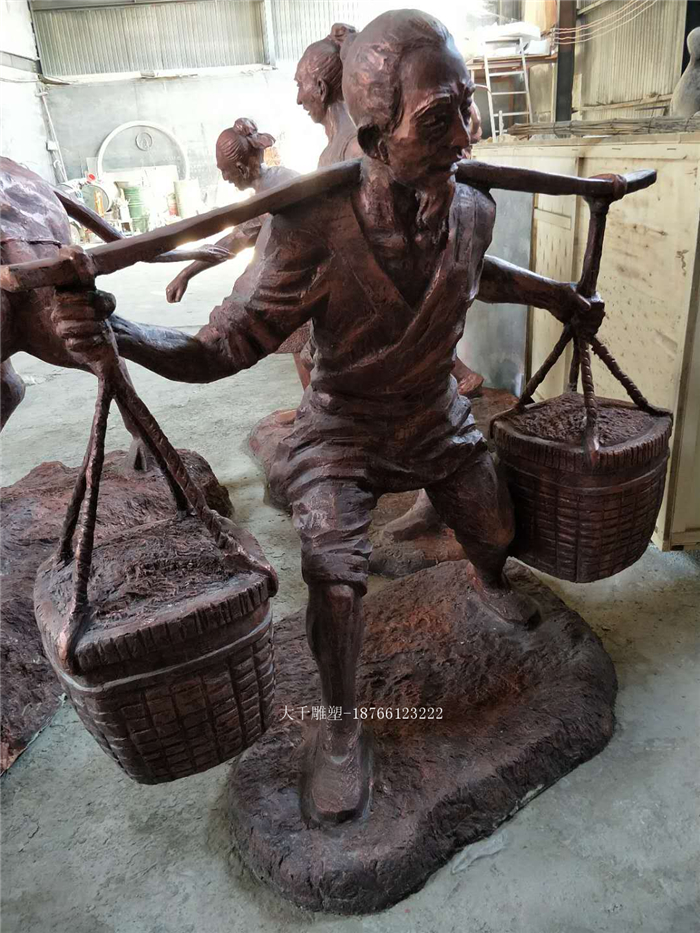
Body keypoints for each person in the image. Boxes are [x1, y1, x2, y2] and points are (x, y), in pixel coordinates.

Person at [53, 10, 603, 825]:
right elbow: (224, 345)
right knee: (337, 580)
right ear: (376, 138)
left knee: (495, 528)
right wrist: (121, 333)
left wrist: (559, 296)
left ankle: (486, 581)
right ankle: (341, 729)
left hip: (435, 415)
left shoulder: (470, 206)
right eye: (439, 120)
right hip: (342, 430)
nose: (467, 135)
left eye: (469, 106)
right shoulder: (310, 226)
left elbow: (476, 273)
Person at [164, 120, 310, 386]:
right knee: (301, 346)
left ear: (241, 168)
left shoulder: (279, 188)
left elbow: (246, 243)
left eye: (224, 171)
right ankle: (310, 399)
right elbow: (236, 239)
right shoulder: (267, 188)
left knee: (306, 346)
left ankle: (315, 400)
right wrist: (187, 272)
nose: (224, 178)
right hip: (299, 283)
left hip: (311, 282)